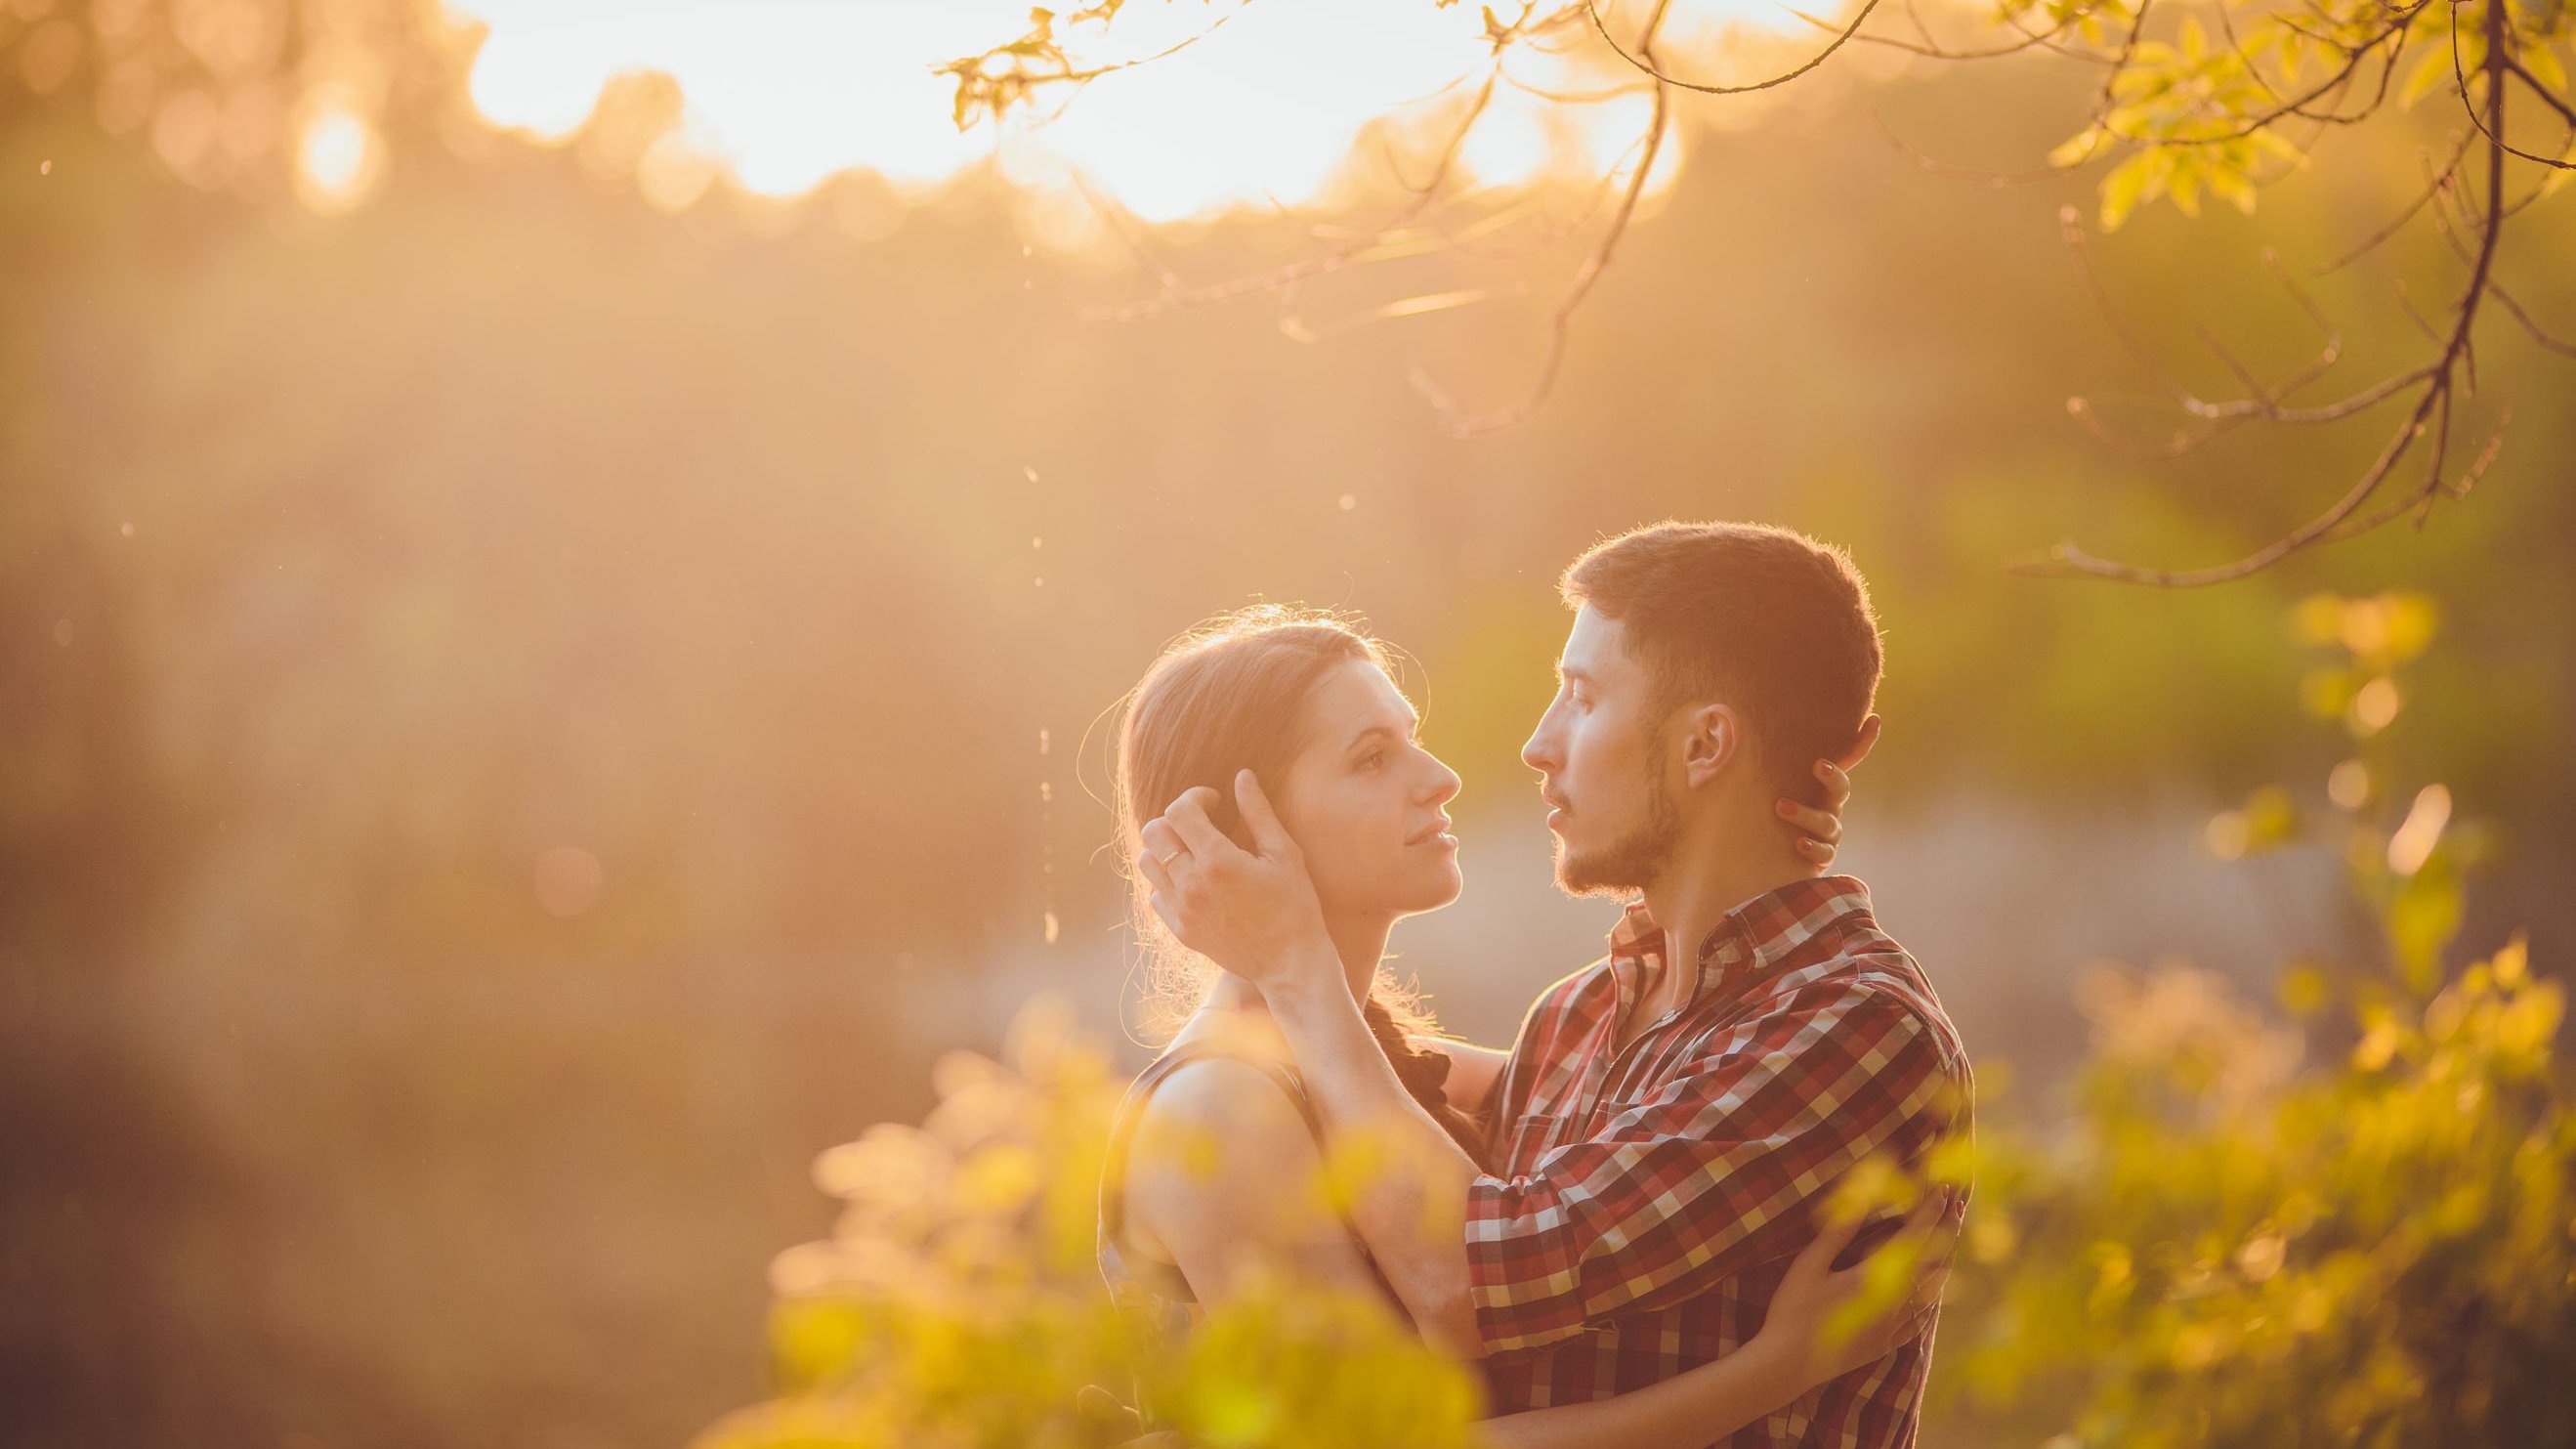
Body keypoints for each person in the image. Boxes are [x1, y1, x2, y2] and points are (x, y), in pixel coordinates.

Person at [1139, 524, 1973, 1448]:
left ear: (1705, 745)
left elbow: (1465, 1273)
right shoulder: (1577, 1020)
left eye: (1581, 698)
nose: (1533, 746)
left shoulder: (1849, 1027)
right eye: (1371, 757)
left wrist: (1294, 968)